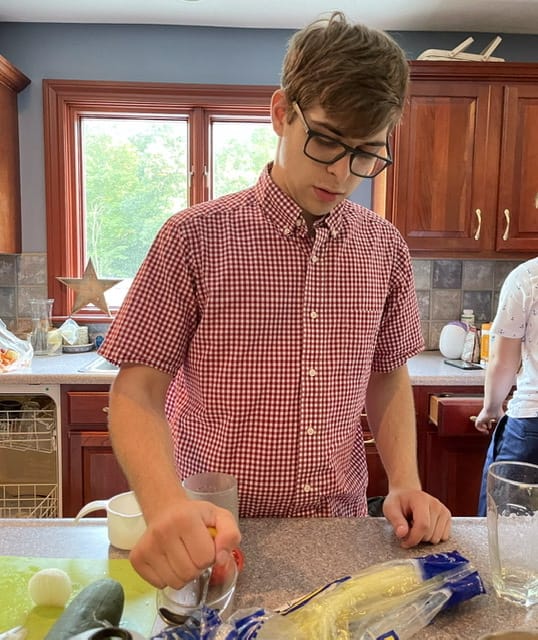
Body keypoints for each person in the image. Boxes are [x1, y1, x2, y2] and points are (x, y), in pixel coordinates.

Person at [99, 11, 451, 590]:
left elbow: (387, 376)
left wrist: (406, 481)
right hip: (213, 537)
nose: (342, 173)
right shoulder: (194, 237)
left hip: (339, 531)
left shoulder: (384, 246)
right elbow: (137, 392)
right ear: (282, 112)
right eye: (327, 140)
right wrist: (163, 504)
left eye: (366, 153)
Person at [475, 257, 538, 516]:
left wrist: (490, 408)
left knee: (503, 530)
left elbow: (503, 362)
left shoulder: (528, 277)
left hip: (532, 424)